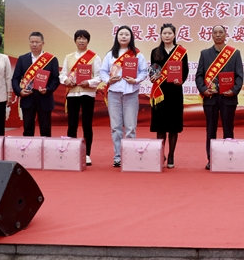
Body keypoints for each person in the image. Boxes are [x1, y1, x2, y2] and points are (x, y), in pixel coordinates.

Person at [195, 25, 244, 170]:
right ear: (211, 35)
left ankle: (229, 158)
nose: (218, 35)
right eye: (215, 32)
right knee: (211, 130)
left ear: (225, 34)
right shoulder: (205, 54)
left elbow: (239, 76)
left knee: (228, 129)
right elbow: (199, 76)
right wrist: (204, 90)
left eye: (221, 32)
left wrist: (234, 91)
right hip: (210, 98)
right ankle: (211, 159)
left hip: (228, 98)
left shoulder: (234, 53)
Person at [100, 25, 148, 167]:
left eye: (127, 34)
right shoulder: (110, 54)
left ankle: (130, 156)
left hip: (131, 93)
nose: (124, 37)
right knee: (116, 127)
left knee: (131, 127)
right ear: (117, 37)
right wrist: (108, 80)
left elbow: (144, 71)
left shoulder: (137, 54)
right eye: (121, 34)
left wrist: (136, 80)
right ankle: (118, 157)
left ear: (131, 37)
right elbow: (103, 71)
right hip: (114, 93)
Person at [59, 30, 102, 166]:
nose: (81, 41)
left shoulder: (94, 57)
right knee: (72, 124)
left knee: (87, 124)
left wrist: (88, 82)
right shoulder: (68, 57)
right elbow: (62, 74)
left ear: (88, 41)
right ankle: (71, 152)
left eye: (84, 38)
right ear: (75, 40)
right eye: (79, 38)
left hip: (87, 94)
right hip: (72, 93)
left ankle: (87, 154)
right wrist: (66, 80)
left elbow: (99, 76)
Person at [149, 23, 189, 169]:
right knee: (160, 126)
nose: (167, 36)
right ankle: (161, 154)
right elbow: (153, 70)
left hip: (175, 92)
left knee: (173, 126)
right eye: (164, 33)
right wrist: (153, 77)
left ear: (174, 35)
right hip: (160, 92)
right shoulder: (155, 52)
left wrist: (181, 80)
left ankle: (171, 154)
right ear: (161, 35)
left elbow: (185, 71)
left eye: (169, 33)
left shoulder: (181, 52)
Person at [12, 32, 60, 137]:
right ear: (29, 43)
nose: (34, 44)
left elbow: (56, 79)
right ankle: (28, 148)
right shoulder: (22, 59)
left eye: (37, 42)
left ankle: (45, 148)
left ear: (43, 43)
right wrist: (19, 91)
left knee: (45, 130)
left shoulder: (51, 59)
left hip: (45, 98)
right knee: (28, 130)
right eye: (32, 42)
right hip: (27, 98)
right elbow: (15, 78)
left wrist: (48, 89)